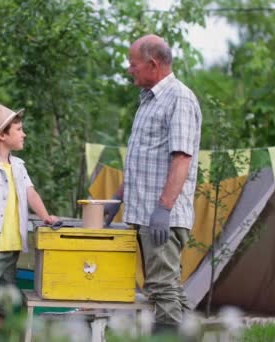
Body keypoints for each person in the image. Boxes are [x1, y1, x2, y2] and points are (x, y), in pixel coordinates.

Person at [105, 34, 202, 333]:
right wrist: (118, 198)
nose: (129, 69)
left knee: (162, 287)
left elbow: (181, 159)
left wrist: (163, 209)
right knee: (164, 285)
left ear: (152, 64)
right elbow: (142, 160)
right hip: (143, 211)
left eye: (133, 64)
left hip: (161, 216)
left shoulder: (179, 98)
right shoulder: (148, 100)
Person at [0, 104, 58, 340]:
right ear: (2, 136)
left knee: (3, 302)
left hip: (12, 248)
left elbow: (30, 193)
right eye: (19, 129)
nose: (23, 133)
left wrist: (45, 215)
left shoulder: (18, 166)